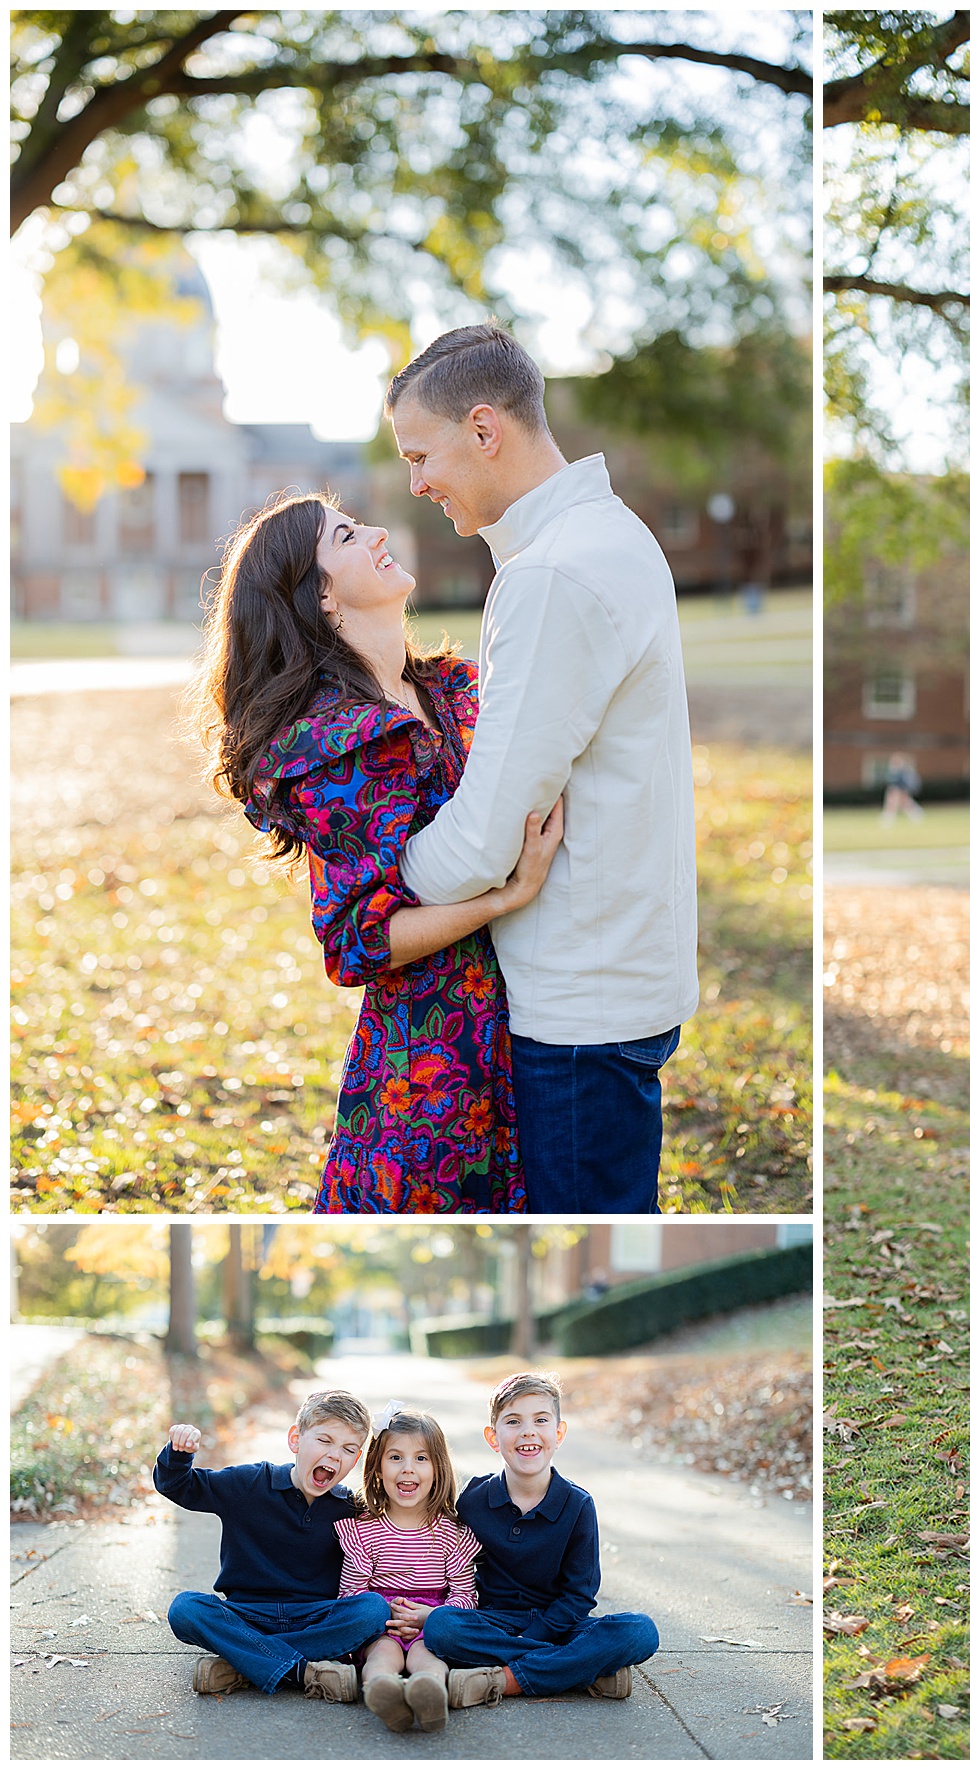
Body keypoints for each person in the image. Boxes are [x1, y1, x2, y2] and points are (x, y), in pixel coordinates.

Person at [389, 324, 699, 1214]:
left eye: (420, 455)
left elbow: (489, 835)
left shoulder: (555, 573)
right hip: (616, 977)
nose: (416, 484)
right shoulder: (607, 535)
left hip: (579, 1008)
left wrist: (380, 886)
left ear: (484, 429)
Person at [195, 495, 562, 1212]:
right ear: (322, 595)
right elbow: (354, 943)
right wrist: (504, 898)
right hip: (433, 1074)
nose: (378, 533)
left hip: (532, 1029)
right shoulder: (338, 741)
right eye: (346, 535)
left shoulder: (453, 688)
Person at [421, 1373, 659, 1705]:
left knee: (640, 1631)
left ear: (559, 1433)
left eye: (541, 1420)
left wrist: (534, 1635)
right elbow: (450, 1564)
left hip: (560, 1623)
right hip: (494, 1623)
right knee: (441, 1627)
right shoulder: (473, 1500)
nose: (528, 1431)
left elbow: (579, 1596)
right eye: (513, 1421)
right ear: (493, 1437)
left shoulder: (577, 1505)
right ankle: (582, 1669)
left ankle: (505, 1681)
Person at [157, 1390, 387, 1700]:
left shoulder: (350, 1507)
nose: (335, 1455)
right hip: (246, 1616)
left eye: (348, 1449)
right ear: (295, 1439)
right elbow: (178, 1486)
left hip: (315, 1620)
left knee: (373, 1609)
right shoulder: (249, 1483)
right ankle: (302, 1671)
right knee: (185, 1609)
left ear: (356, 1459)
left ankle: (242, 1664)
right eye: (324, 1440)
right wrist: (178, 1453)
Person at [337, 1408, 480, 1733]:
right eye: (395, 1457)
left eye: (421, 1458)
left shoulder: (452, 1533)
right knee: (381, 1657)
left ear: (438, 1467)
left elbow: (465, 1596)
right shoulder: (364, 1531)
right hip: (383, 1624)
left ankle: (429, 1692)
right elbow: (350, 1594)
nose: (407, 1469)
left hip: (430, 1623)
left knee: (428, 1659)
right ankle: (382, 1691)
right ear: (377, 1466)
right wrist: (386, 1613)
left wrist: (431, 1616)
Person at [881, 752, 924, 823]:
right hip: (896, 790)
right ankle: (889, 816)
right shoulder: (893, 772)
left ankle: (915, 813)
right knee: (898, 802)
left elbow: (907, 783)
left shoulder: (904, 772)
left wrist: (902, 791)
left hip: (901, 790)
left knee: (902, 802)